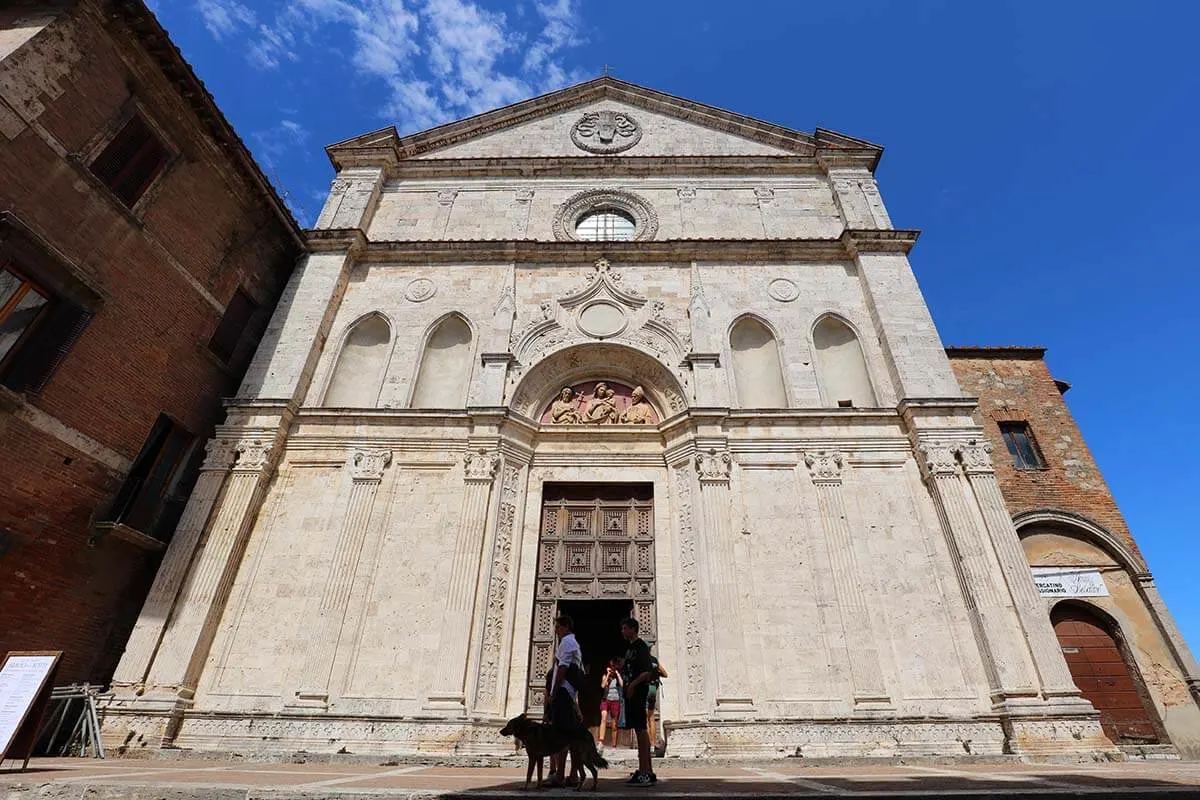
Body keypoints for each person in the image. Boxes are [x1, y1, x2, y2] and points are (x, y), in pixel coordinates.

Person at [545, 614, 584, 787]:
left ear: (566, 626)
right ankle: (572, 775)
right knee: (571, 735)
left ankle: (560, 775)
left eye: (558, 628)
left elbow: (562, 668)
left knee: (561, 734)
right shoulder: (572, 643)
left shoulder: (567, 642)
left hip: (563, 693)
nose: (557, 632)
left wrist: (553, 692)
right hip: (569, 694)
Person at [620, 617, 656, 786]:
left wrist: (633, 685)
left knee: (641, 730)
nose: (623, 631)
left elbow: (646, 672)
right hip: (630, 694)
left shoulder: (641, 647)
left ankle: (645, 772)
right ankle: (647, 771)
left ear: (633, 629)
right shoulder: (630, 648)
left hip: (638, 693)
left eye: (625, 628)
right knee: (639, 729)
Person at [598, 660, 623, 749]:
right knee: (603, 718)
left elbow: (622, 684)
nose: (612, 669)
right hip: (606, 700)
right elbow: (603, 685)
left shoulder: (617, 678)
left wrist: (617, 673)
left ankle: (614, 745)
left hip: (615, 700)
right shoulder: (605, 676)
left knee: (614, 723)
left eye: (613, 667)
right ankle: (601, 741)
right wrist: (608, 675)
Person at [646, 657, 668, 752]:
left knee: (645, 720)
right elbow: (665, 674)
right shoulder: (655, 661)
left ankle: (647, 744)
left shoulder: (642, 659)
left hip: (645, 690)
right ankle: (653, 744)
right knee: (651, 718)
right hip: (653, 690)